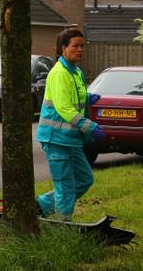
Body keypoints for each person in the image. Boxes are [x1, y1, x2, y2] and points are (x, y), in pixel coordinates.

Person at [36, 28, 105, 220]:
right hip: (56, 139)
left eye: (82, 46)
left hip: (70, 139)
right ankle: (63, 227)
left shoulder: (75, 72)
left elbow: (73, 97)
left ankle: (41, 205)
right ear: (63, 48)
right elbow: (64, 108)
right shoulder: (59, 73)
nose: (80, 50)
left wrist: (88, 97)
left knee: (84, 179)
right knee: (65, 187)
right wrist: (91, 127)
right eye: (75, 46)